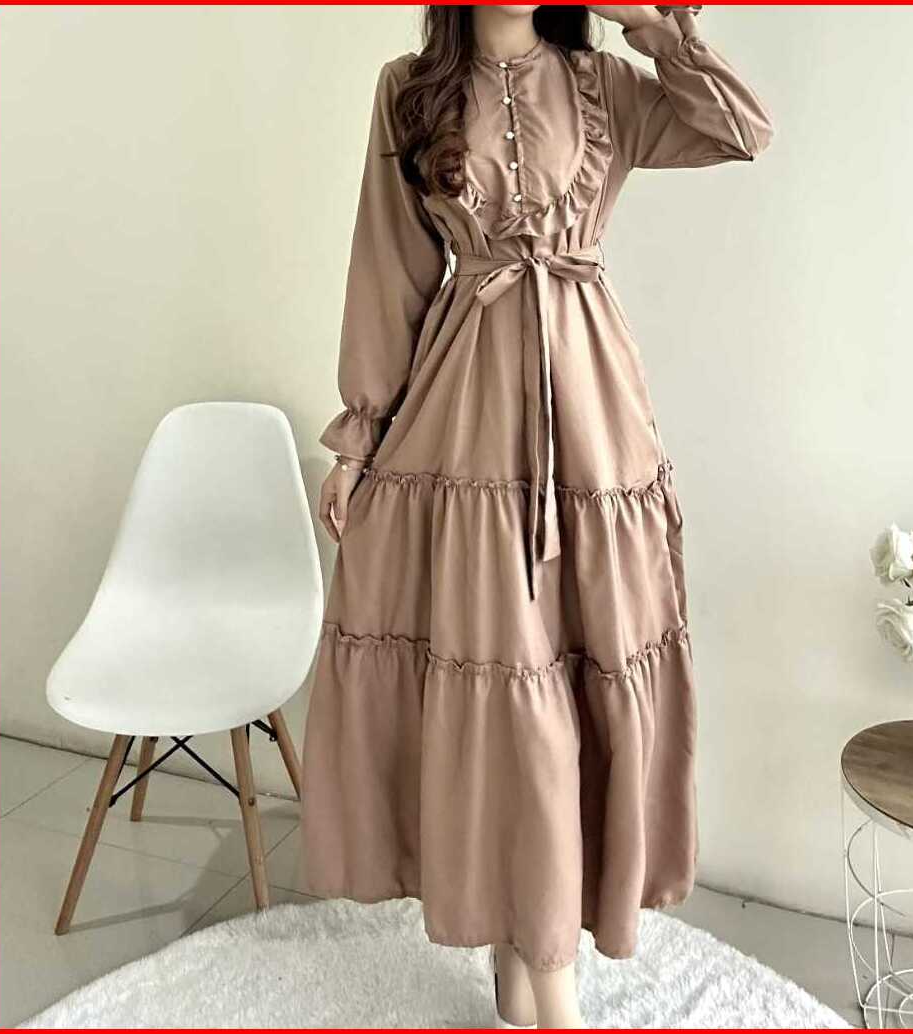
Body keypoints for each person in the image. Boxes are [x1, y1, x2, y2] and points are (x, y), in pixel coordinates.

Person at [301, 4, 773, 1027]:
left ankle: (533, 974)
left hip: (591, 416)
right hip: (461, 419)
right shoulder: (408, 89)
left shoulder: (604, 87)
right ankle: (537, 981)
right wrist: (359, 437)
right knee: (499, 676)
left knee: (573, 669)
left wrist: (652, 24)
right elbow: (387, 271)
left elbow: (739, 129)